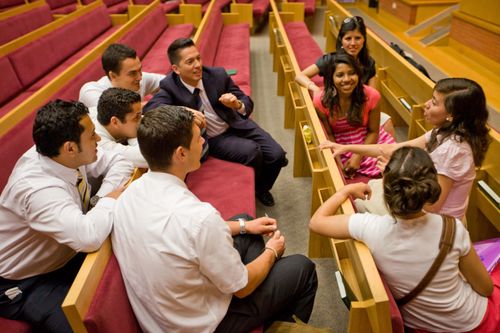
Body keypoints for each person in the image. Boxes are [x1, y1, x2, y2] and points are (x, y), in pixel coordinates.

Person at [111, 105, 318, 332]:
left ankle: (264, 289)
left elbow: (187, 235)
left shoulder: (129, 194)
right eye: (199, 138)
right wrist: (273, 251)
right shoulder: (199, 217)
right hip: (204, 324)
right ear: (181, 153)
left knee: (244, 223)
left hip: (166, 312)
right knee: (302, 268)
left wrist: (244, 226)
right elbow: (241, 288)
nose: (203, 143)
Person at [309, 146, 499, 333]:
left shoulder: (370, 228)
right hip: (473, 323)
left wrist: (345, 191)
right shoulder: (452, 228)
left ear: (386, 188)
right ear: (430, 188)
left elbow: (317, 222)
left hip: (421, 326)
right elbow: (485, 288)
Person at [0, 100, 133, 332]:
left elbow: (120, 160)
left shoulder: (60, 154)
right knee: (82, 324)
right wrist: (111, 200)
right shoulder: (37, 189)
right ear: (70, 148)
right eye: (92, 136)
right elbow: (87, 237)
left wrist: (100, 199)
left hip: (63, 254)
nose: (99, 140)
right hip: (24, 280)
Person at [143, 38, 288, 206]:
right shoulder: (169, 86)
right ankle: (260, 189)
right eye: (190, 62)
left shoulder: (217, 75)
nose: (197, 65)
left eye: (198, 58)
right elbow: (151, 109)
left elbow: (245, 100)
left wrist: (237, 104)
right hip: (213, 137)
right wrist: (184, 111)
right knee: (252, 151)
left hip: (236, 123)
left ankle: (262, 186)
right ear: (176, 69)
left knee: (277, 155)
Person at [321, 78, 490, 221]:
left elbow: (431, 206)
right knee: (371, 188)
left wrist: (393, 175)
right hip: (427, 206)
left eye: (434, 102)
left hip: (435, 222)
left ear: (451, 115)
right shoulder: (445, 130)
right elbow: (393, 148)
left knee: (359, 205)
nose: (426, 105)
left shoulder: (453, 150)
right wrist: (345, 147)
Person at [295, 15, 395, 136]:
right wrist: (314, 88)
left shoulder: (368, 63)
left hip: (360, 109)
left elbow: (372, 94)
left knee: (387, 122)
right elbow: (300, 76)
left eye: (357, 38)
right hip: (336, 111)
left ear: (364, 40)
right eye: (348, 38)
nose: (353, 43)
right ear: (341, 40)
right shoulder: (330, 60)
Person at [313, 52, 395, 178]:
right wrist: (338, 160)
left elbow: (373, 131)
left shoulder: (372, 95)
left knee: (395, 164)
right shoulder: (321, 101)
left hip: (368, 140)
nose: (347, 79)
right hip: (340, 143)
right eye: (340, 75)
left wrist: (358, 156)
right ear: (331, 78)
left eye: (351, 73)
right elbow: (328, 134)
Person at [79, 43, 164, 108]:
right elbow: (119, 114)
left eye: (140, 70)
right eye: (132, 73)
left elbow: (169, 82)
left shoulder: (139, 78)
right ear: (113, 76)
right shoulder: (91, 91)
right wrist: (155, 104)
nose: (140, 77)